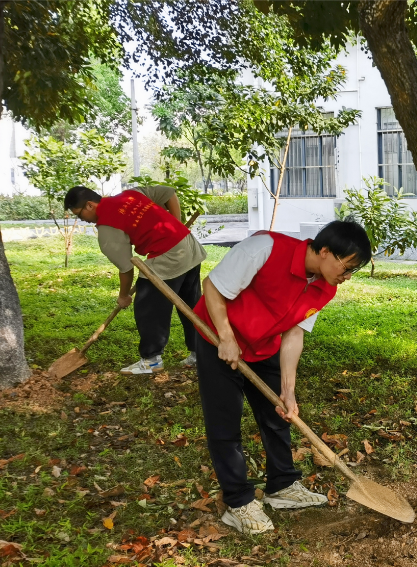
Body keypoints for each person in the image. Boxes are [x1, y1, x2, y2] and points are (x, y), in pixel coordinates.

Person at [194, 221, 372, 534]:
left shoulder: (325, 287)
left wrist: (288, 390)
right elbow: (212, 287)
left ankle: (282, 485)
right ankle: (238, 502)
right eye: (347, 267)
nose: (347, 277)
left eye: (352, 271)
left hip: (263, 345)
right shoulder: (265, 249)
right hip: (218, 339)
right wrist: (226, 337)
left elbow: (293, 334)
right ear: (325, 251)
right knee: (225, 423)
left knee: (277, 416)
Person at [65, 185, 206, 374]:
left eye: (79, 214)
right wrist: (176, 224)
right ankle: (200, 354)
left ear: (90, 205)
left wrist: (123, 296)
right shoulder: (130, 194)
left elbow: (126, 269)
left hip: (169, 256)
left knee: (148, 305)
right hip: (188, 245)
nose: (82, 219)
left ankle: (151, 361)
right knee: (190, 304)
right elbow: (169, 193)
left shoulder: (107, 228)